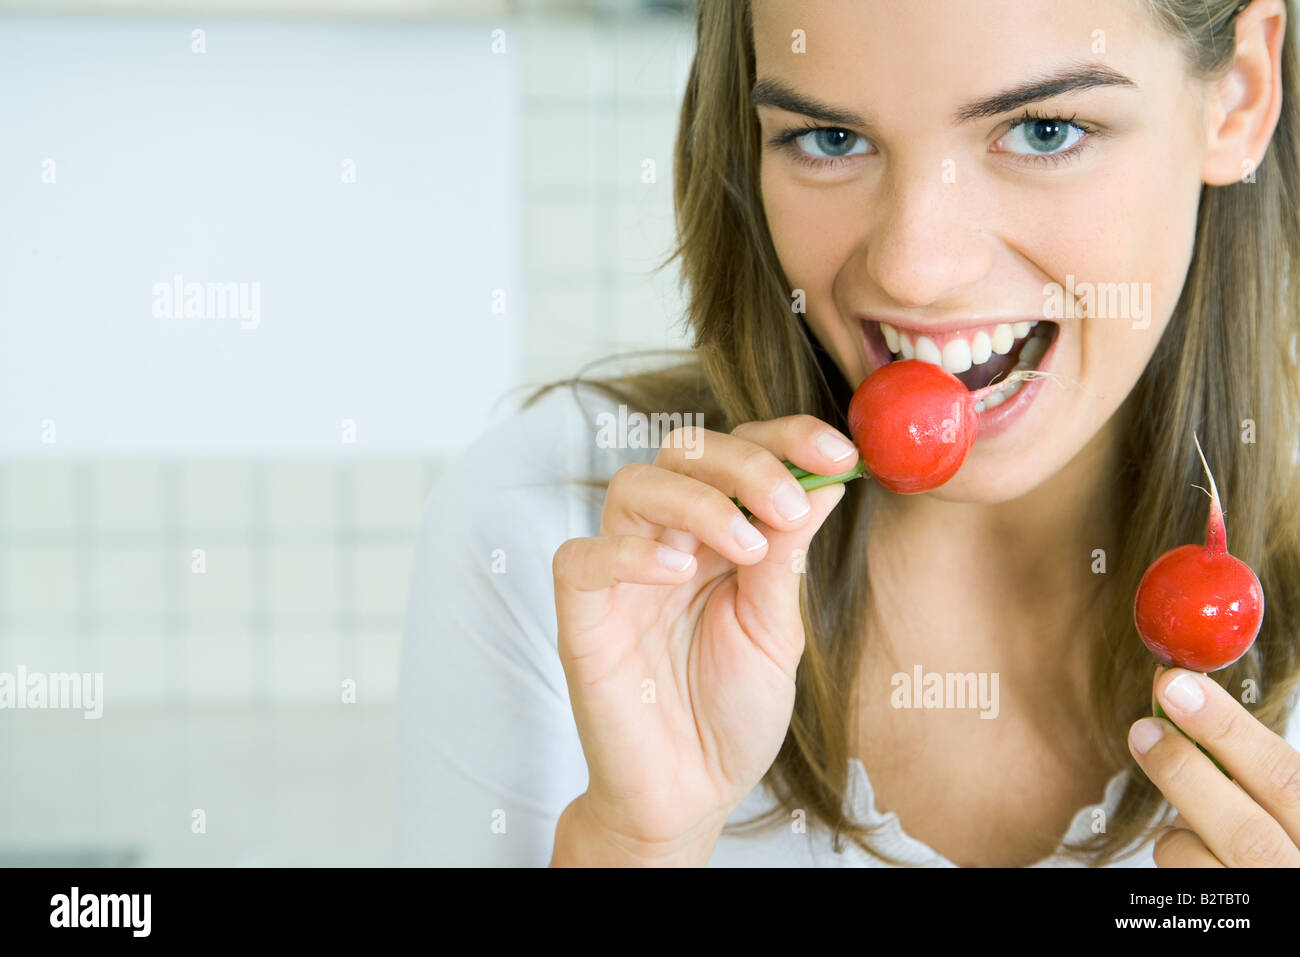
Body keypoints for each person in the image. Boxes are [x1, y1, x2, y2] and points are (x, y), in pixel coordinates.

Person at [397, 0, 1300, 867]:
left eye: (1043, 131)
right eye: (830, 139)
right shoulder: (556, 532)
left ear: (1242, 93)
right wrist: (633, 849)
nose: (913, 269)